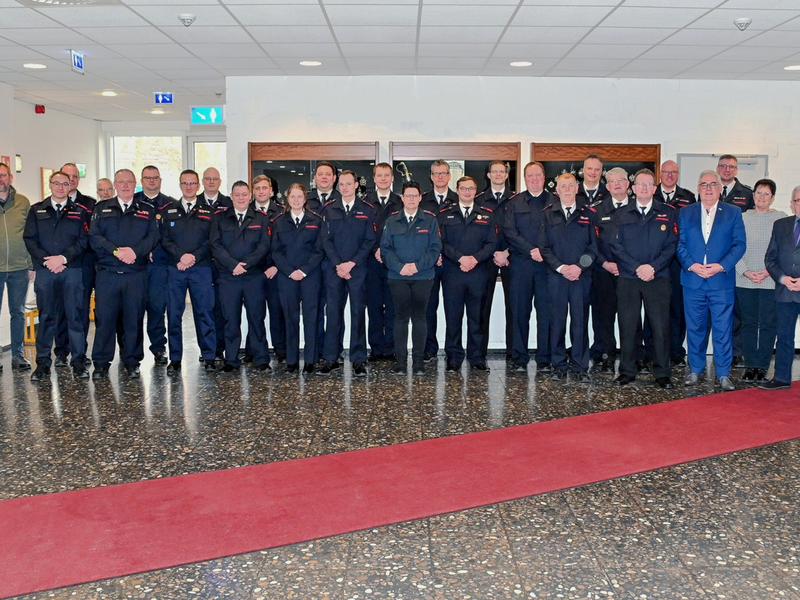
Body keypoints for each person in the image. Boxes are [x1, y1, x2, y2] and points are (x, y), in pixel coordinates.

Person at [677, 170, 746, 391]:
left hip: (720, 282)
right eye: (703, 184)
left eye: (712, 184)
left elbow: (739, 244)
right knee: (695, 328)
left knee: (722, 329)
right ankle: (695, 370)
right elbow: (679, 244)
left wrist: (721, 266)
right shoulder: (686, 213)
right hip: (693, 280)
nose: (708, 188)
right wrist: (691, 265)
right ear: (698, 188)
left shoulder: (733, 212)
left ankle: (724, 373)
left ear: (719, 188)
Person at [611, 169, 678, 389]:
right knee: (628, 325)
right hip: (629, 278)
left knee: (660, 327)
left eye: (649, 185)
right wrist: (637, 267)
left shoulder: (667, 213)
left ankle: (662, 372)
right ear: (633, 187)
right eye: (640, 184)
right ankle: (627, 370)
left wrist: (653, 267)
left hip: (658, 277)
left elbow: (672, 245)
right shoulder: (621, 214)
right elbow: (616, 246)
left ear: (655, 189)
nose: (644, 188)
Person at [89, 169, 159, 379]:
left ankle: (132, 361)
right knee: (105, 320)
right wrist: (116, 251)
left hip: (135, 274)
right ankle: (101, 363)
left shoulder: (146, 209)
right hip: (108, 273)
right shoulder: (101, 208)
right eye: (121, 182)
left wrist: (134, 252)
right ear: (115, 185)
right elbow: (95, 236)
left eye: (129, 182)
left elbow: (153, 237)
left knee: (134, 319)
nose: (126, 185)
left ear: (135, 184)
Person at [24, 171, 91, 381]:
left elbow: (84, 240)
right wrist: (48, 260)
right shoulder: (36, 210)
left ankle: (79, 362)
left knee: (75, 318)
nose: (61, 187)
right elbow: (30, 239)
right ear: (50, 185)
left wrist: (62, 258)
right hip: (46, 272)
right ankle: (42, 364)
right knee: (46, 318)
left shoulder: (79, 211)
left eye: (65, 184)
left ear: (70, 185)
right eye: (56, 183)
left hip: (71, 270)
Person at [318, 170, 377, 377]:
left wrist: (351, 263)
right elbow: (326, 240)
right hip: (335, 270)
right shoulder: (329, 209)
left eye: (348, 184)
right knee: (333, 313)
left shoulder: (367, 210)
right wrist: (338, 264)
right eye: (341, 184)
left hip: (358, 269)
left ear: (356, 185)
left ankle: (359, 359)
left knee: (358, 314)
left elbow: (370, 240)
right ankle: (331, 358)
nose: (344, 187)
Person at [541, 173, 598, 382]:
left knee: (580, 322)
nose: (567, 189)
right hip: (557, 277)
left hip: (580, 277)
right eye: (563, 186)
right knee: (556, 322)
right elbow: (544, 248)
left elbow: (594, 247)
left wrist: (578, 267)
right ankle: (558, 365)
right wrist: (561, 267)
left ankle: (580, 367)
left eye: (570, 185)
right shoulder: (547, 215)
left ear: (577, 188)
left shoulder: (589, 214)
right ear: (557, 190)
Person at [209, 181, 271, 372]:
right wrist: (232, 265)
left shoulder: (261, 218)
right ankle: (231, 360)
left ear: (250, 196)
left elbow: (264, 246)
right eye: (237, 194)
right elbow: (215, 245)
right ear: (231, 196)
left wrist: (246, 264)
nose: (241, 198)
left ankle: (261, 360)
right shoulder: (220, 219)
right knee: (231, 320)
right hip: (228, 277)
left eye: (245, 194)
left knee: (257, 318)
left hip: (253, 277)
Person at [381, 181, 442, 376]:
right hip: (397, 277)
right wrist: (400, 267)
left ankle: (418, 363)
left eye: (415, 196)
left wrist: (416, 266)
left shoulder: (430, 221)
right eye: (408, 196)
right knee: (399, 318)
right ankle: (400, 362)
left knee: (419, 318)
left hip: (423, 277)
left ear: (420, 198)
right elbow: (385, 249)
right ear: (402, 198)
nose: (411, 199)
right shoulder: (391, 221)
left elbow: (434, 249)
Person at [160, 169, 217, 373]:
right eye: (185, 183)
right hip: (176, 268)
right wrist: (181, 256)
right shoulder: (169, 211)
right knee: (174, 315)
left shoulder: (208, 212)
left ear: (198, 186)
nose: (189, 187)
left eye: (192, 183)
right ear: (180, 185)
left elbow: (211, 240)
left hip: (201, 268)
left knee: (204, 313)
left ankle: (209, 355)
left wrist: (192, 257)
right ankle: (175, 358)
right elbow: (164, 239)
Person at [439, 176, 496, 371]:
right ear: (457, 190)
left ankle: (476, 357)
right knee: (453, 317)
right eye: (463, 188)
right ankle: (454, 357)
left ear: (476, 190)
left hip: (478, 273)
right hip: (453, 272)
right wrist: (460, 258)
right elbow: (441, 243)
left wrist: (475, 259)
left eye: (471, 188)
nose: (467, 192)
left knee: (476, 317)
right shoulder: (445, 215)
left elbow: (491, 243)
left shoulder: (486, 215)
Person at [502, 161, 552, 372]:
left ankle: (544, 359)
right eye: (530, 176)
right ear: (524, 178)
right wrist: (531, 249)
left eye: (538, 175)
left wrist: (543, 251)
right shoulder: (515, 203)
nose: (534, 179)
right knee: (519, 312)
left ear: (544, 177)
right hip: (521, 265)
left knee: (546, 314)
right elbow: (509, 231)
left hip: (547, 267)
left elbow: (558, 233)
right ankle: (519, 358)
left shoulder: (554, 201)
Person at [271, 183, 325, 374]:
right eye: (292, 197)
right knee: (290, 318)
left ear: (305, 199)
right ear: (288, 199)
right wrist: (289, 271)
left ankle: (310, 360)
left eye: (299, 197)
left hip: (310, 276)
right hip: (287, 277)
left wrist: (304, 271)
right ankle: (291, 360)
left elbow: (319, 250)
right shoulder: (279, 222)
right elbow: (276, 252)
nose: (296, 200)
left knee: (311, 318)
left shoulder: (316, 220)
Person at [735, 179, 785, 384]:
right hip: (745, 279)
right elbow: (734, 247)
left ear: (772, 197)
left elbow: (784, 250)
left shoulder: (781, 218)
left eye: (766, 194)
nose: (761, 197)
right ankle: (750, 365)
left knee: (767, 324)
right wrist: (746, 271)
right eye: (758, 193)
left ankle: (762, 366)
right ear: (752, 195)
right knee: (747, 323)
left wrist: (767, 271)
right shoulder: (741, 218)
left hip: (770, 280)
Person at [654, 159, 696, 367]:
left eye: (673, 172)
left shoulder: (688, 197)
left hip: (679, 261)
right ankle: (653, 351)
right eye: (666, 172)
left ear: (678, 175)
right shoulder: (651, 194)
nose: (669, 175)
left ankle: (677, 352)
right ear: (660, 174)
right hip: (656, 259)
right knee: (655, 308)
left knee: (678, 308)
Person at [590, 166, 630, 373]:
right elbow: (591, 242)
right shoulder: (597, 210)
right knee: (604, 316)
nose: (617, 184)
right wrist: (604, 263)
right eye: (613, 181)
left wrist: (627, 265)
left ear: (628, 184)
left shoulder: (637, 207)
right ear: (607, 186)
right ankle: (606, 355)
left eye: (621, 180)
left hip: (630, 273)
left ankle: (632, 357)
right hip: (603, 271)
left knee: (630, 316)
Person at [134, 165, 175, 366]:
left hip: (160, 265)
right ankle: (131, 353)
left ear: (160, 180)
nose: (151, 181)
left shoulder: (170, 205)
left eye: (155, 178)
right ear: (141, 181)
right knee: (133, 311)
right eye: (147, 178)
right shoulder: (131, 203)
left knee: (157, 309)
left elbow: (172, 236)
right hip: (135, 266)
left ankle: (159, 348)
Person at [762, 185, 800, 391]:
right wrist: (782, 278)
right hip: (785, 289)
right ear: (792, 203)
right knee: (784, 335)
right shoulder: (780, 225)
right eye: (797, 200)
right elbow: (770, 258)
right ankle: (782, 378)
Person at [363, 162, 402, 362]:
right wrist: (375, 250)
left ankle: (390, 348)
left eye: (387, 175)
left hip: (394, 263)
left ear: (392, 178)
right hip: (371, 262)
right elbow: (362, 232)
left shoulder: (401, 202)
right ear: (374, 178)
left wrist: (387, 253)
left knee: (393, 307)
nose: (384, 178)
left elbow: (404, 233)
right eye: (380, 175)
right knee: (375, 307)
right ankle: (376, 349)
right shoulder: (365, 202)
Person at [475, 160, 513, 360]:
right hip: (485, 260)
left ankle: (513, 353)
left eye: (502, 171)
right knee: (483, 307)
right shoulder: (479, 200)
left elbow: (519, 230)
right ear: (488, 175)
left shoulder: (516, 200)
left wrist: (507, 252)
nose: (498, 174)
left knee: (514, 307)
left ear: (507, 175)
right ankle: (479, 354)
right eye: (494, 171)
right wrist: (492, 253)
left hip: (511, 258)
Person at [419, 160, 457, 362]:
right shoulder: (422, 201)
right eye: (436, 173)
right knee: (428, 308)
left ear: (449, 176)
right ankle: (429, 347)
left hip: (452, 264)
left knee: (452, 308)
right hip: (429, 265)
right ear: (431, 176)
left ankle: (452, 349)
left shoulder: (459, 199)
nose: (440, 177)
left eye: (444, 173)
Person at [248, 175, 286, 364]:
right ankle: (252, 349)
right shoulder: (245, 211)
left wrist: (276, 266)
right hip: (253, 271)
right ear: (253, 191)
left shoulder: (281, 212)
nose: (261, 192)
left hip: (275, 270)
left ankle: (280, 348)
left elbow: (287, 244)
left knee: (277, 311)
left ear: (271, 190)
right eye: (258, 188)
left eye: (265, 188)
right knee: (254, 312)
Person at [0, 162, 33, 372]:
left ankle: (18, 355)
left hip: (20, 267)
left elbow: (31, 235)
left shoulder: (23, 202)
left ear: (10, 177)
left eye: (3, 175)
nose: (0, 179)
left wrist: (31, 264)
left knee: (18, 312)